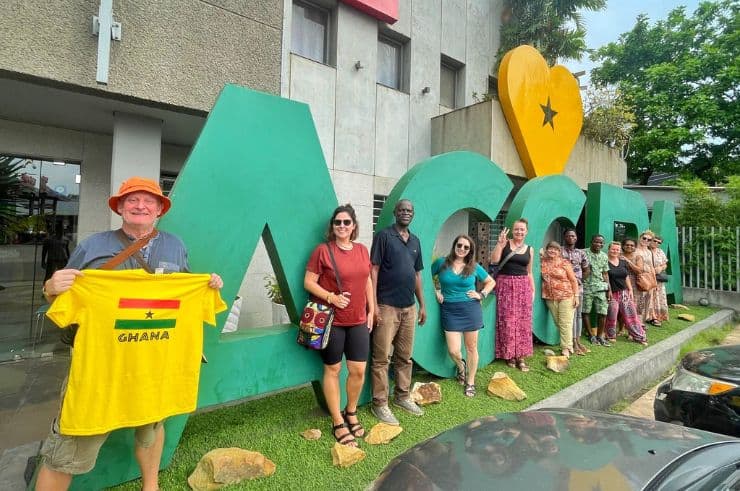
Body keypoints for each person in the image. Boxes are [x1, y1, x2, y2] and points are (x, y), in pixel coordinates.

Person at [36, 177, 224, 491]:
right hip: (100, 367)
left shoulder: (175, 246)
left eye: (149, 201)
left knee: (152, 424)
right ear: (121, 207)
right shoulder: (93, 246)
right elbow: (61, 301)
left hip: (155, 363)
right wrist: (50, 288)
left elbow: (182, 297)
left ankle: (151, 487)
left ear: (159, 210)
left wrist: (206, 286)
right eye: (132, 200)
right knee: (73, 439)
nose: (141, 206)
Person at [304, 204, 373, 447]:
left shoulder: (363, 251)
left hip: (358, 321)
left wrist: (372, 310)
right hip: (332, 321)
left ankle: (351, 411)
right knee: (332, 370)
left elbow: (367, 282)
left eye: (346, 222)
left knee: (358, 371)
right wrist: (331, 297)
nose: (342, 226)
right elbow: (309, 282)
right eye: (337, 222)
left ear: (354, 226)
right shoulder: (322, 251)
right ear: (332, 227)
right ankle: (337, 420)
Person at [370, 199, 426, 425]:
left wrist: (422, 304)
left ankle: (402, 396)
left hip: (409, 308)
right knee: (382, 358)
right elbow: (373, 270)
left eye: (409, 210)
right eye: (401, 210)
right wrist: (373, 305)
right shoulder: (384, 237)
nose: (405, 213)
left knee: (405, 356)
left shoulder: (415, 241)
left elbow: (416, 275)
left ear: (413, 214)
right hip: (387, 306)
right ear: (395, 213)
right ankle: (380, 404)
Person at [432, 234, 495, 397]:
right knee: (453, 350)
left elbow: (491, 281)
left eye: (466, 247)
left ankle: (471, 381)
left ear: (470, 250)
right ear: (454, 245)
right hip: (449, 310)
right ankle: (461, 367)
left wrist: (481, 295)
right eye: (459, 245)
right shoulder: (441, 263)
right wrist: (436, 290)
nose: (462, 249)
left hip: (470, 310)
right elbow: (424, 277)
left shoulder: (473, 267)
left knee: (471, 348)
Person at [491, 218, 534, 372]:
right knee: (508, 320)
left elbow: (529, 272)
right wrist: (500, 244)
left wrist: (532, 290)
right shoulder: (505, 243)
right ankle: (509, 355)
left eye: (522, 229)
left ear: (526, 231)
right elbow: (494, 260)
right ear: (512, 230)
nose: (519, 232)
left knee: (523, 321)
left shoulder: (530, 249)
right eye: (516, 229)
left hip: (523, 286)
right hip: (505, 284)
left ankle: (521, 356)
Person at [540, 241, 579, 358]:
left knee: (565, 323)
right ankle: (568, 344)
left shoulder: (564, 263)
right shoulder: (543, 262)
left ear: (559, 251)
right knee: (558, 322)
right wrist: (542, 253)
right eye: (550, 249)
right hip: (550, 297)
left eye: (555, 249)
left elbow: (573, 280)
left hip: (566, 295)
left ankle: (566, 348)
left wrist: (576, 296)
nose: (552, 251)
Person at [605, 242, 648, 345]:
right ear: (609, 249)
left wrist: (630, 290)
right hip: (613, 292)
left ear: (620, 251)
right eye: (613, 249)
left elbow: (626, 276)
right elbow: (605, 277)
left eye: (617, 249)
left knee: (631, 314)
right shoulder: (605, 261)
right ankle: (610, 335)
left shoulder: (623, 261)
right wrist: (609, 291)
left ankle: (639, 336)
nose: (615, 251)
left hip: (624, 292)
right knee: (612, 314)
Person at [561, 229, 590, 355]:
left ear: (576, 238)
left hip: (578, 288)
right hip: (565, 289)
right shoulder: (559, 252)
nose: (571, 238)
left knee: (578, 315)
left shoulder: (581, 253)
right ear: (564, 237)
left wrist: (579, 280)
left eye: (573, 235)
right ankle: (572, 342)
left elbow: (587, 269)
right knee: (571, 316)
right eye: (568, 236)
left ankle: (578, 341)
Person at [582, 235, 610, 347]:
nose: (598, 244)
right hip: (586, 287)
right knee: (586, 312)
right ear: (591, 242)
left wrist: (609, 289)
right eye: (596, 242)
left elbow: (605, 273)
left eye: (601, 243)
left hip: (601, 288)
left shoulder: (604, 256)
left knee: (603, 312)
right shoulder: (583, 252)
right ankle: (591, 335)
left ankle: (600, 336)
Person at [634, 230, 661, 326]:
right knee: (636, 301)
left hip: (648, 279)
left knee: (646, 302)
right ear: (640, 238)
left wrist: (654, 282)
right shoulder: (634, 250)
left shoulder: (649, 252)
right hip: (636, 277)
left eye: (649, 240)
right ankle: (634, 323)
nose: (646, 240)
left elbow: (652, 267)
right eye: (644, 238)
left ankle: (641, 322)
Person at [649, 235, 670, 323]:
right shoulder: (646, 250)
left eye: (659, 242)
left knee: (659, 296)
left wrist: (660, 268)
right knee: (650, 297)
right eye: (655, 241)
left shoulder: (660, 251)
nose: (656, 243)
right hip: (648, 277)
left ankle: (659, 315)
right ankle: (651, 317)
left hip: (659, 279)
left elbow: (665, 263)